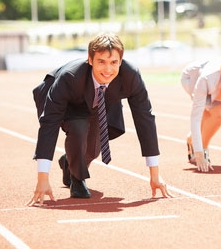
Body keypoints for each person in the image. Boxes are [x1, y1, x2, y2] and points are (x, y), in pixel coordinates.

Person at [27, 33, 173, 206]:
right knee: (79, 127)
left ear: (121, 60)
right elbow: (49, 124)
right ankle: (78, 179)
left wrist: (155, 174)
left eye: (113, 62)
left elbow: (144, 117)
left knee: (92, 150)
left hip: (98, 103)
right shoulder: (70, 77)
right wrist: (43, 178)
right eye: (101, 61)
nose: (108, 69)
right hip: (67, 102)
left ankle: (69, 162)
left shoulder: (130, 75)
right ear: (90, 59)